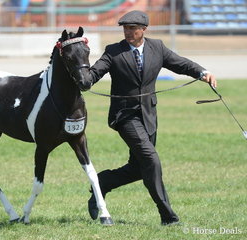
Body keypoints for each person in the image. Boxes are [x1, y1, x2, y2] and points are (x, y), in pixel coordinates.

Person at [87, 10, 217, 226]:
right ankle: (168, 217)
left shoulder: (157, 47)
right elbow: (94, 74)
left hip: (148, 116)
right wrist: (81, 78)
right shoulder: (113, 51)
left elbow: (180, 63)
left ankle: (101, 182)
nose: (128, 32)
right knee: (151, 160)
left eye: (132, 28)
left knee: (138, 168)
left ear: (143, 29)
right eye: (125, 28)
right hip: (124, 117)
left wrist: (203, 73)